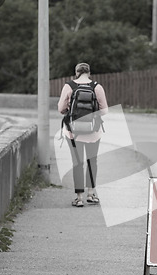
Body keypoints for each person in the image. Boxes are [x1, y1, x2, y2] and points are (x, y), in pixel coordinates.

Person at [58, 63, 108, 207]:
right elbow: (104, 111)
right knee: (92, 161)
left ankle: (79, 198)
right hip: (94, 132)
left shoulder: (69, 86)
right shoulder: (97, 87)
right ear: (89, 72)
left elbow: (61, 109)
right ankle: (91, 194)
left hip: (73, 133)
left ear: (76, 72)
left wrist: (71, 112)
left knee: (77, 163)